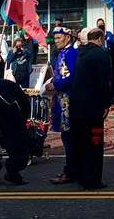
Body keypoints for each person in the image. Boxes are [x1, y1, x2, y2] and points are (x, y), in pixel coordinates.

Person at [70, 29, 112, 190]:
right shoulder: (101, 55)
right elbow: (105, 82)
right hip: (93, 107)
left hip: (76, 106)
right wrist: (106, 104)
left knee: (80, 142)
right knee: (94, 144)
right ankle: (93, 179)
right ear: (100, 39)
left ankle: (81, 176)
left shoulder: (80, 53)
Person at [47, 27, 79, 184]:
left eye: (59, 38)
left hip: (68, 101)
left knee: (69, 138)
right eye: (55, 38)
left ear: (68, 38)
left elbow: (70, 76)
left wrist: (55, 84)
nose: (56, 41)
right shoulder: (63, 53)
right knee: (68, 138)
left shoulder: (71, 53)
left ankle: (71, 171)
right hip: (62, 99)